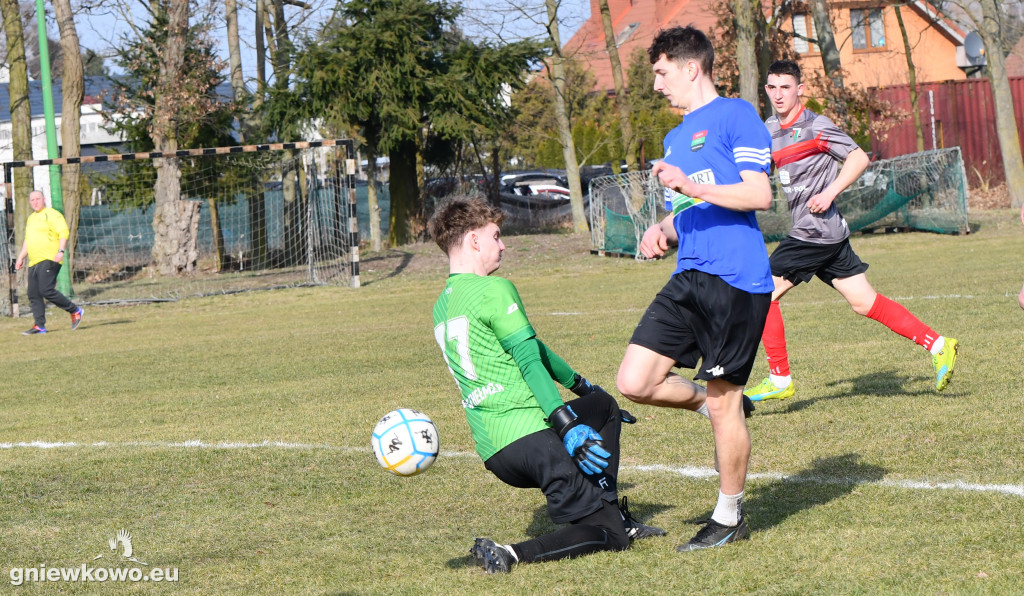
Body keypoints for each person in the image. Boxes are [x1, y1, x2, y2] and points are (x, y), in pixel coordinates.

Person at [429, 197, 665, 574]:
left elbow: (533, 349)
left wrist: (583, 388)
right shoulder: (495, 289)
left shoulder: (443, 304)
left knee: (603, 407)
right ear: (474, 241)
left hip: (495, 450)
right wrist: (566, 422)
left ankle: (607, 506)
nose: (503, 245)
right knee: (611, 537)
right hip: (532, 437)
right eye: (496, 236)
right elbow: (527, 363)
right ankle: (510, 552)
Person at [615, 26, 773, 552]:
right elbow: (691, 212)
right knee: (634, 381)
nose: (657, 85)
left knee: (728, 406)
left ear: (690, 67)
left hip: (736, 279)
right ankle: (709, 403)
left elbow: (759, 194)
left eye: (661, 73)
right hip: (690, 275)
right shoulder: (675, 138)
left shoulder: (737, 115)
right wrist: (664, 228)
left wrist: (689, 185)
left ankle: (729, 517)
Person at [742, 60, 958, 402]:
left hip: (814, 232)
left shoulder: (816, 126)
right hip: (827, 234)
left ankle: (779, 379)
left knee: (761, 291)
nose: (779, 94)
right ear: (766, 90)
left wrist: (829, 193)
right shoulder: (768, 128)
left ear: (800, 89)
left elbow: (858, 158)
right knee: (864, 302)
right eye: (773, 87)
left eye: (786, 87)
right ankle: (939, 345)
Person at [14, 190, 83, 335]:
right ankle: (40, 326)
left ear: (44, 199)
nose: (35, 202)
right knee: (33, 293)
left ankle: (75, 311)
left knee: (46, 290)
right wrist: (21, 257)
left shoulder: (52, 214)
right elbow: (28, 240)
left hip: (50, 258)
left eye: (38, 199)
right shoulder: (31, 218)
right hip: (34, 262)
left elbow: (63, 232)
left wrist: (61, 251)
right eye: (32, 200)